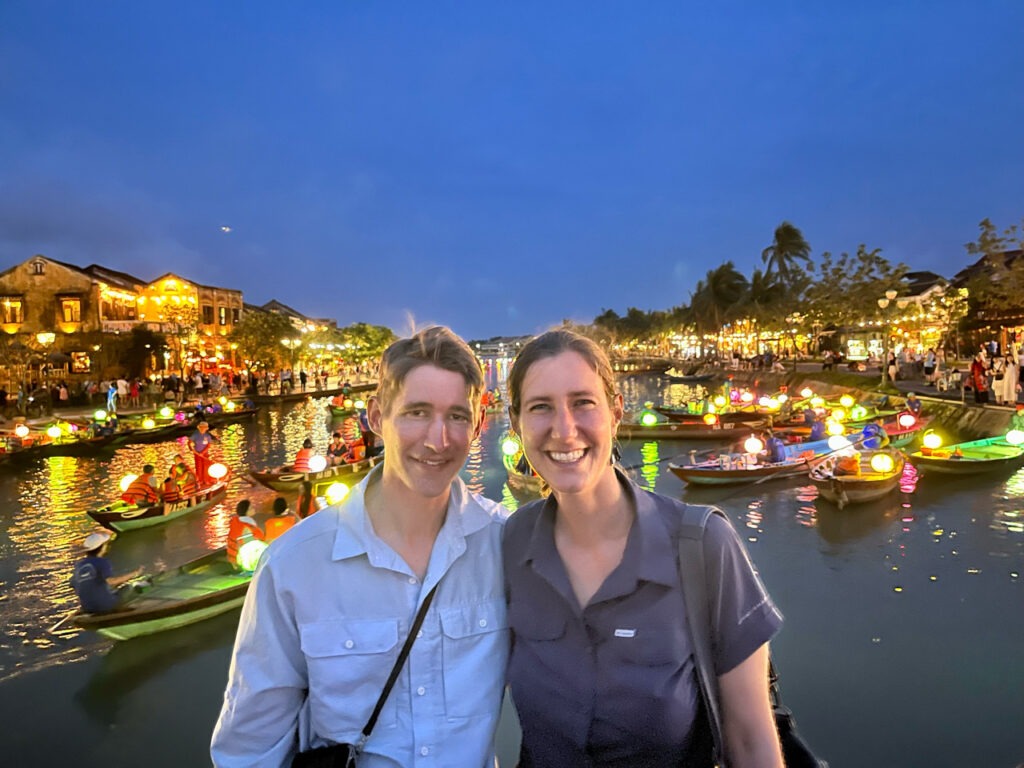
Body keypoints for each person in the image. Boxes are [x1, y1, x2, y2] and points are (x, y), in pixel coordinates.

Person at [212, 326, 509, 767]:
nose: (438, 440)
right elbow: (251, 749)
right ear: (376, 417)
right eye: (417, 413)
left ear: (479, 423)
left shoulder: (507, 543)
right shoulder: (294, 565)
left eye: (457, 417)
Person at [501, 330, 784, 767]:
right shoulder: (510, 543)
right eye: (540, 407)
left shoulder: (702, 544)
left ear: (615, 411)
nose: (564, 429)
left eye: (583, 403)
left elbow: (750, 742)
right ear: (516, 421)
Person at [70, 530, 144, 613]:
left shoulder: (79, 565)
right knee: (129, 588)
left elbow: (74, 585)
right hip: (105, 605)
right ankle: (120, 610)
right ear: (102, 547)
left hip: (87, 608)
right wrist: (135, 573)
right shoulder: (102, 562)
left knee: (110, 591)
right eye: (105, 544)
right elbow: (111, 582)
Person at [226, 499, 264, 570]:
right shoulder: (247, 528)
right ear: (246, 511)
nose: (254, 509)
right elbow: (250, 546)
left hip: (234, 559)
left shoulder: (236, 522)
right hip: (242, 562)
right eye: (251, 508)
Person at [188, 421, 218, 486]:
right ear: (199, 427)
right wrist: (191, 449)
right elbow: (189, 442)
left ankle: (206, 480)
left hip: (205, 454)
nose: (202, 429)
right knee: (199, 467)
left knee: (206, 467)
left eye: (204, 427)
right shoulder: (195, 434)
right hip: (197, 454)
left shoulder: (207, 436)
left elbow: (208, 445)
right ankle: (200, 481)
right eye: (201, 427)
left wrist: (202, 453)